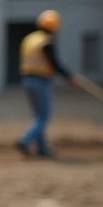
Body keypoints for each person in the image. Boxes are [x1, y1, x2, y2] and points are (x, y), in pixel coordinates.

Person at [16, 10, 80, 159]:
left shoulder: (30, 39)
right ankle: (24, 140)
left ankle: (42, 149)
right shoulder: (46, 41)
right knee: (43, 117)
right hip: (40, 80)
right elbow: (54, 62)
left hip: (26, 79)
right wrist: (69, 76)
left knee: (37, 116)